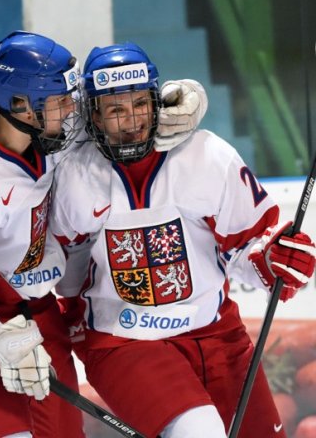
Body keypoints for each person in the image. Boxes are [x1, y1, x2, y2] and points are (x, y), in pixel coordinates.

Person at [0, 31, 208, 438]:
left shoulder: (43, 121)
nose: (73, 109)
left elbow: (111, 102)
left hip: (32, 306)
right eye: (61, 101)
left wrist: (174, 99)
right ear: (20, 106)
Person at [51, 41, 316, 438]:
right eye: (115, 110)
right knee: (198, 432)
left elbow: (250, 241)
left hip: (216, 334)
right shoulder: (73, 173)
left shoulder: (206, 156)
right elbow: (61, 269)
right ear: (93, 115)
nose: (131, 121)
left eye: (140, 104)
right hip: (122, 340)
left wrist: (273, 260)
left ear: (158, 101)